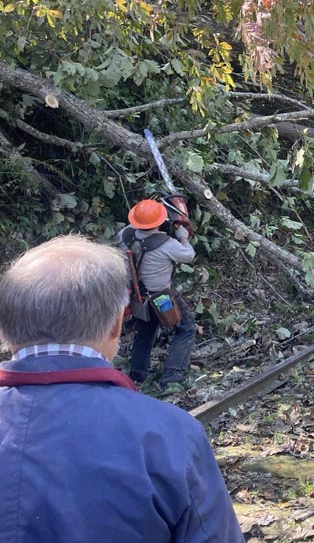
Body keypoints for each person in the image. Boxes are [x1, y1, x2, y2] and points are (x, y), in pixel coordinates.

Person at [0, 235, 242, 542]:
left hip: (145, 301)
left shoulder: (131, 239)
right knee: (184, 329)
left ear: (4, 327)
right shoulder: (172, 434)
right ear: (116, 324)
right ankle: (172, 374)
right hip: (161, 298)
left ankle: (140, 371)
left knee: (145, 336)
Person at [119, 198, 196, 387]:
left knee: (144, 332)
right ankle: (172, 378)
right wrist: (183, 235)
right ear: (160, 221)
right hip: (162, 298)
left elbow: (137, 230)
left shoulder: (124, 235)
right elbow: (189, 255)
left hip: (138, 297)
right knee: (186, 329)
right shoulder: (168, 244)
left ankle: (136, 376)